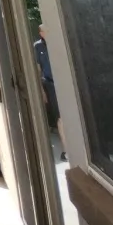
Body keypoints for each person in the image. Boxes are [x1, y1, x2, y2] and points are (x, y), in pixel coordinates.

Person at [34, 23, 68, 161]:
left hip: (65, 82)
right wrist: (41, 90)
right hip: (50, 84)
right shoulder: (38, 47)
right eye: (45, 31)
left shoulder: (59, 43)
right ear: (41, 33)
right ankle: (66, 150)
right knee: (60, 117)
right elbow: (37, 68)